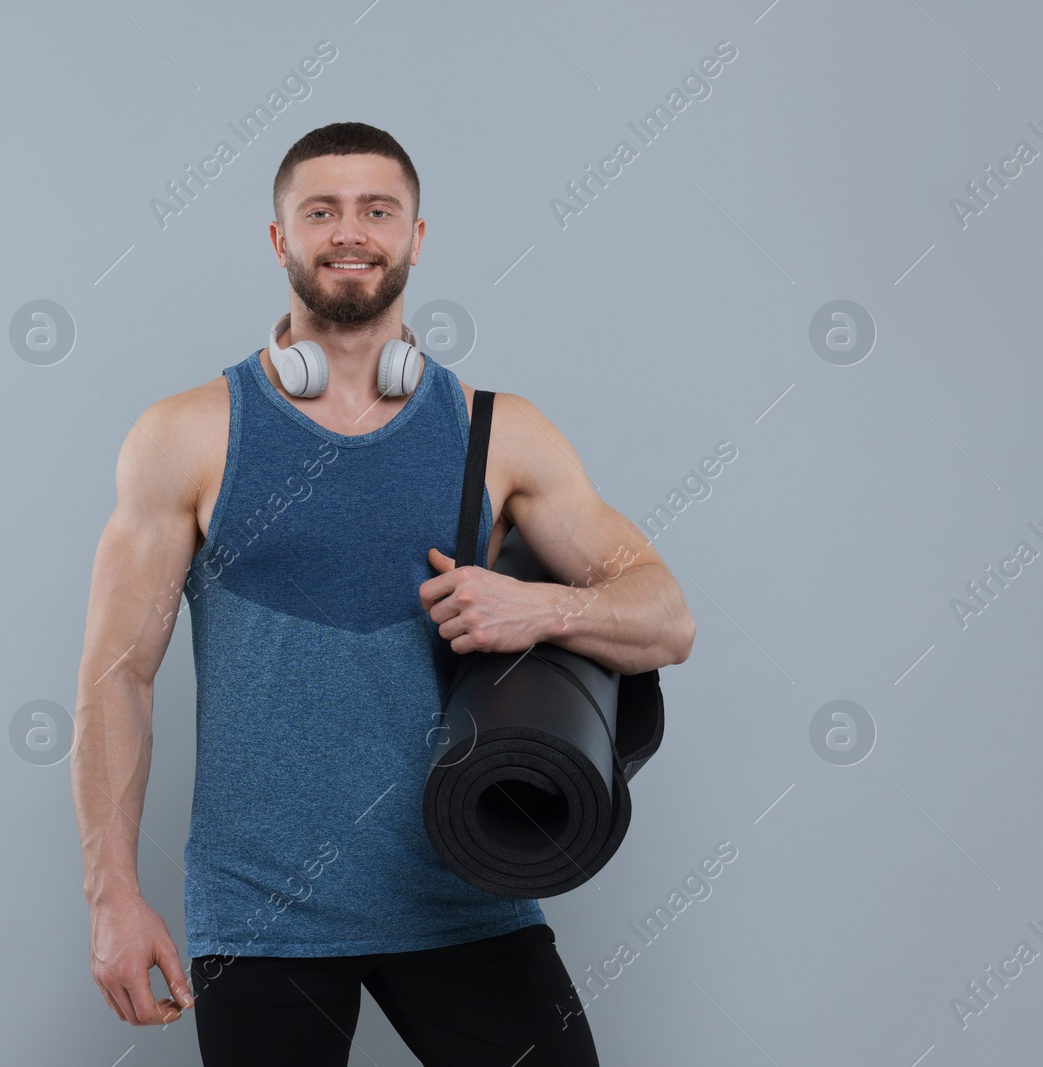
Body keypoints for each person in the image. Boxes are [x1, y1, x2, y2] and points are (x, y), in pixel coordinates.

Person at [71, 121, 695, 1065]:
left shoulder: (500, 433)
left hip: (464, 891)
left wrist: (541, 607)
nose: (349, 231)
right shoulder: (190, 435)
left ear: (415, 237)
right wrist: (112, 895)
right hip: (260, 911)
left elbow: (667, 617)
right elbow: (116, 675)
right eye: (321, 211)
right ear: (281, 241)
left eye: (377, 209)